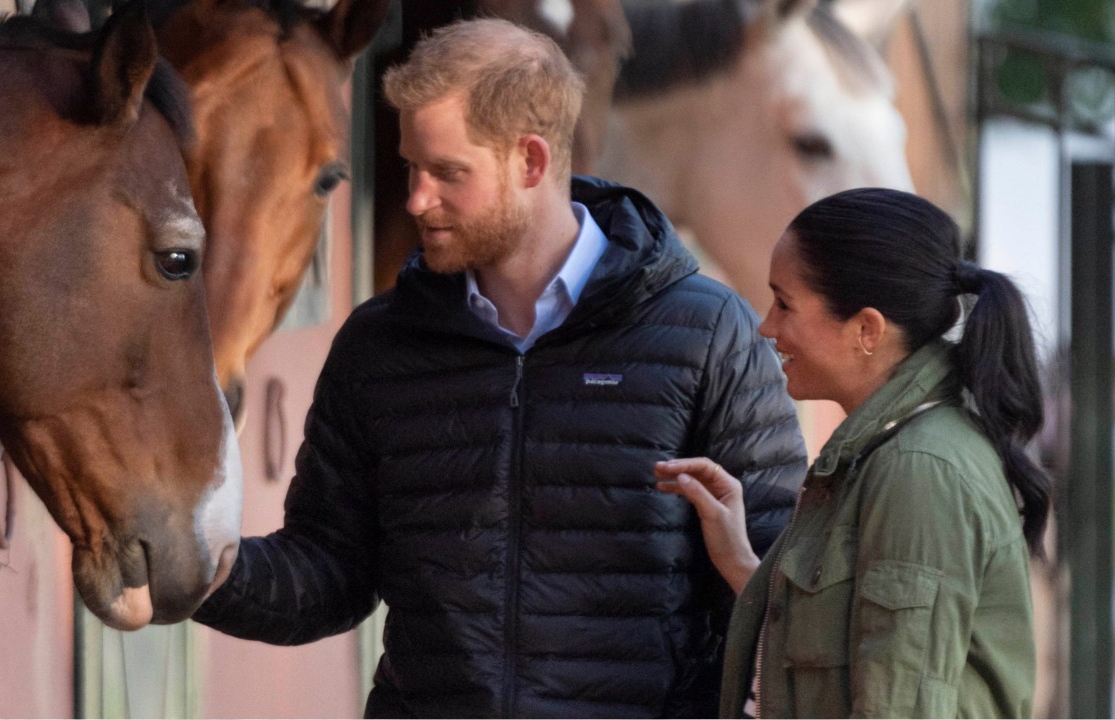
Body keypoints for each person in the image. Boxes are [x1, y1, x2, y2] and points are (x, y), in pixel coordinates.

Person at [193, 17, 807, 718]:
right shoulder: (379, 346)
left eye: (448, 174)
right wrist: (202, 575)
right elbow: (331, 573)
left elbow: (777, 587)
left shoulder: (704, 334)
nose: (417, 200)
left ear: (532, 163)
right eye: (410, 168)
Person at [656, 187, 1048, 718]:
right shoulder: (890, 450)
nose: (766, 326)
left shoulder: (918, 469)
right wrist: (744, 564)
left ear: (866, 329)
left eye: (784, 303)